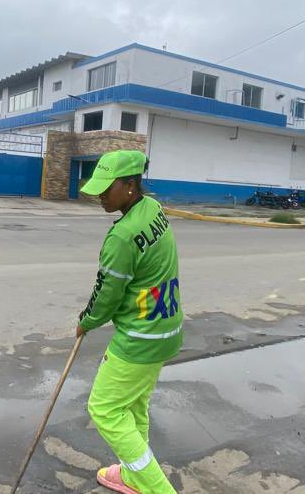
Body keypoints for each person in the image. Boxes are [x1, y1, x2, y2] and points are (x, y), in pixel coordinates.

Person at [76, 150, 181, 494]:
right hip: (166, 328)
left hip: (141, 335)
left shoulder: (122, 236)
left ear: (131, 185)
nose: (100, 196)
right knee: (134, 405)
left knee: (104, 409)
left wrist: (86, 321)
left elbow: (106, 294)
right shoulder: (152, 209)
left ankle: (159, 489)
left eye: (108, 188)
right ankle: (133, 476)